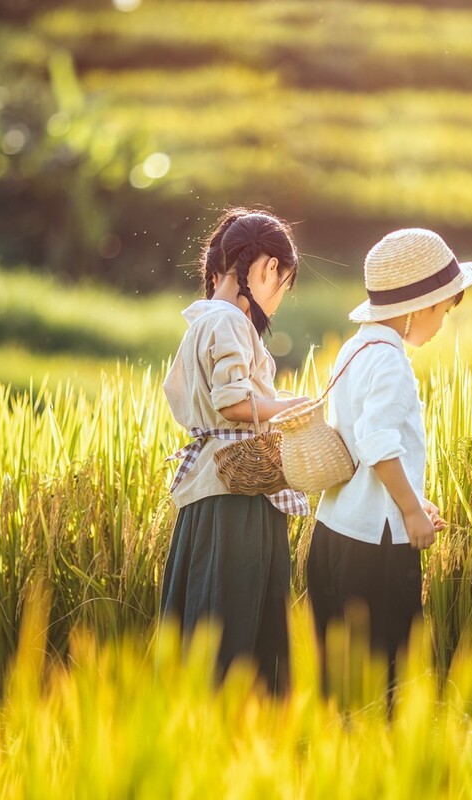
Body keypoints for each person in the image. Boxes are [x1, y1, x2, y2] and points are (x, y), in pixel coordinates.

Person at [306, 227, 472, 692]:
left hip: (334, 533)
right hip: (376, 549)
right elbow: (377, 443)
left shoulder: (354, 350)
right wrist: (409, 511)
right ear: (421, 306)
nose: (443, 322)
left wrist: (410, 500)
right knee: (389, 678)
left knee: (340, 677)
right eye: (444, 311)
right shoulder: (390, 360)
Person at [161, 208, 310, 694]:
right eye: (283, 284)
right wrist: (294, 408)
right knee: (234, 620)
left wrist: (279, 403)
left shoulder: (206, 320)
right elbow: (233, 402)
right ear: (267, 270)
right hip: (235, 499)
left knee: (206, 614)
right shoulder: (227, 322)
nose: (279, 299)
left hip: (214, 490)